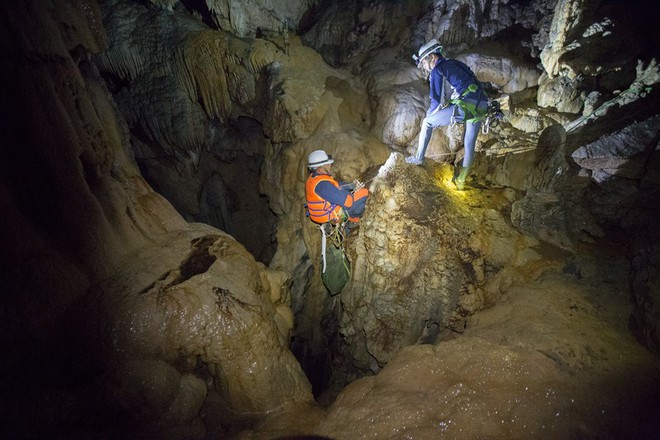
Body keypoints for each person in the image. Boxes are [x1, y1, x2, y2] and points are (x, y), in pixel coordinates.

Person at [406, 38, 489, 190]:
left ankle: (419, 159)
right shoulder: (455, 63)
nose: (424, 66)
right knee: (469, 144)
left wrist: (430, 115)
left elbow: (436, 101)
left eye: (424, 62)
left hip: (467, 106)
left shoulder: (438, 70)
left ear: (432, 57)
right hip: (482, 106)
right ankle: (461, 181)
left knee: (427, 122)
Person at [305, 149, 369, 233]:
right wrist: (352, 192)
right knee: (364, 192)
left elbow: (336, 185)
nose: (330, 165)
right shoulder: (323, 186)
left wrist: (351, 185)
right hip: (332, 216)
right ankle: (351, 222)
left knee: (352, 196)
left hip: (323, 213)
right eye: (327, 164)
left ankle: (350, 222)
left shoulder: (314, 179)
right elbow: (347, 202)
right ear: (319, 168)